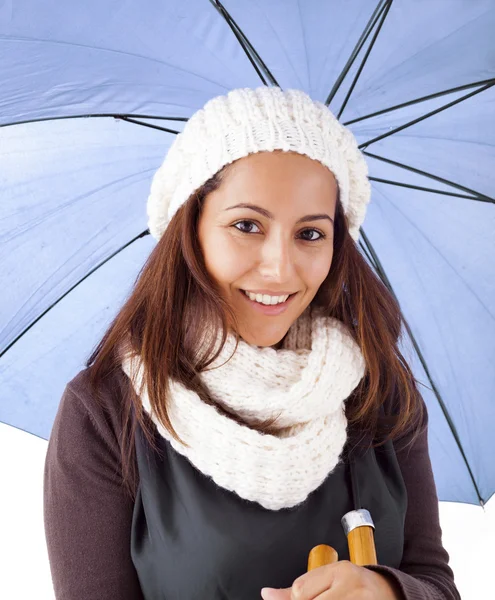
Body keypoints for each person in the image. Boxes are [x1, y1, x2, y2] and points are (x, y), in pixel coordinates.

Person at [43, 87, 461, 600]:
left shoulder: (379, 390)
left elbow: (436, 582)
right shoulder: (105, 413)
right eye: (246, 225)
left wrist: (392, 593)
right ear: (190, 228)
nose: (280, 269)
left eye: (310, 234)